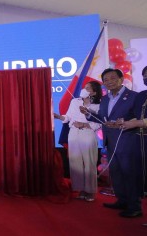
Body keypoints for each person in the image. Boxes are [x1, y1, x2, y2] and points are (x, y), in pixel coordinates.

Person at [80, 68, 141, 218]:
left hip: (128, 140)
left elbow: (140, 119)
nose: (109, 82)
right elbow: (102, 118)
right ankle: (122, 200)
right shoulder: (106, 99)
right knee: (116, 173)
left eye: (113, 78)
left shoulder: (134, 96)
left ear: (121, 79)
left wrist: (126, 123)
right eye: (106, 80)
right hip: (111, 141)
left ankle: (135, 206)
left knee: (129, 173)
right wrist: (88, 113)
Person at [54, 81, 102, 201]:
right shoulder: (75, 101)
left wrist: (84, 125)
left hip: (88, 134)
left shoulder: (98, 105)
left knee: (89, 162)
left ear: (94, 92)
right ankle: (80, 189)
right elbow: (68, 117)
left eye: (88, 88)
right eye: (84, 88)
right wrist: (59, 117)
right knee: (76, 163)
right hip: (73, 133)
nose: (84, 90)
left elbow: (99, 123)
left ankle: (90, 191)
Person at [119, 66, 147, 225]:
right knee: (140, 177)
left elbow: (139, 120)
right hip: (140, 142)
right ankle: (136, 207)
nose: (145, 78)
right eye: (144, 75)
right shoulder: (141, 95)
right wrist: (121, 122)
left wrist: (141, 122)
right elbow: (132, 115)